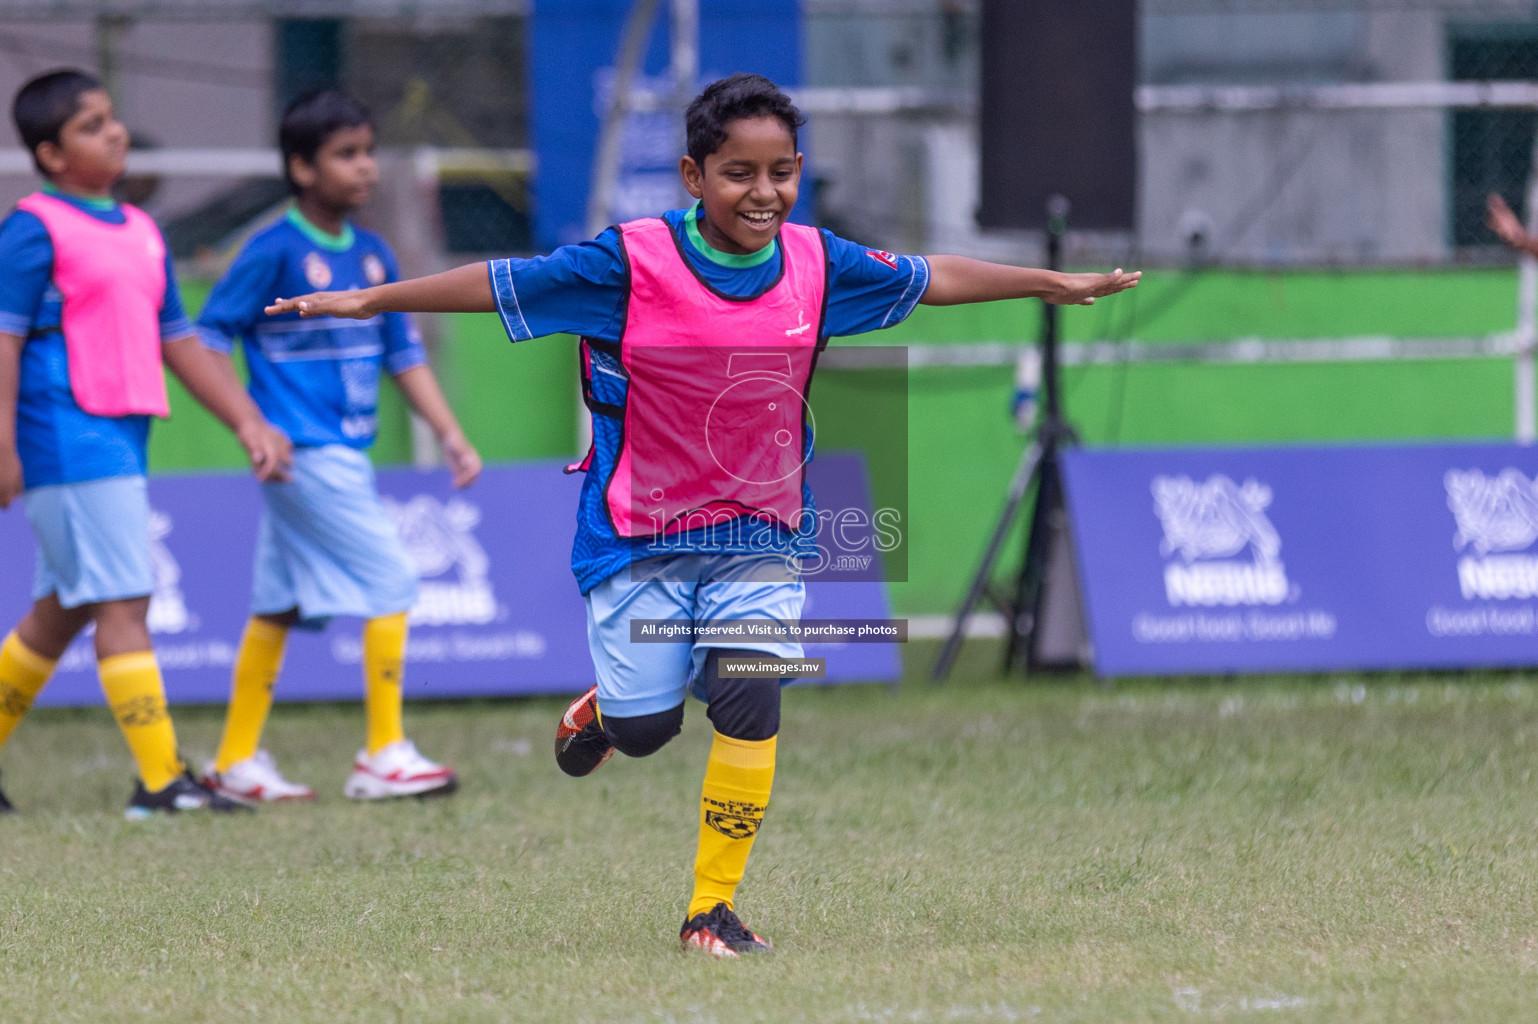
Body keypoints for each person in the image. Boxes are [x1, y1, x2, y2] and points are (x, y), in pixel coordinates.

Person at [265, 73, 1139, 953]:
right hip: (637, 538)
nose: (764, 193)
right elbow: (504, 282)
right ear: (693, 175)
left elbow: (933, 275)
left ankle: (709, 911)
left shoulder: (818, 262)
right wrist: (372, 299)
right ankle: (608, 715)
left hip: (762, 532)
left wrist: (1042, 282)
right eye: (738, 173)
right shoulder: (628, 262)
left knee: (750, 695)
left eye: (782, 172)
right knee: (647, 730)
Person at [0, 69, 292, 817]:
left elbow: (179, 340)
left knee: (60, 611)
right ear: (51, 155)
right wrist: (3, 443)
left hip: (119, 437)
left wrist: (247, 420)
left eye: (111, 117)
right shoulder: (33, 227)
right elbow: (3, 338)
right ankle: (161, 782)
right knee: (125, 600)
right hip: (64, 437)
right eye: (91, 125)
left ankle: (161, 781)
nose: (115, 131)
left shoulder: (140, 229)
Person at [197, 89, 481, 804]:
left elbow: (402, 353)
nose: (365, 169)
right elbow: (203, 340)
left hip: (342, 453)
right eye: (345, 155)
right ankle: (383, 754)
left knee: (279, 604)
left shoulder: (375, 255)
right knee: (392, 581)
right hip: (304, 456)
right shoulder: (271, 251)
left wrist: (448, 433)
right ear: (301, 167)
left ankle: (235, 762)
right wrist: (251, 423)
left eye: (367, 153)